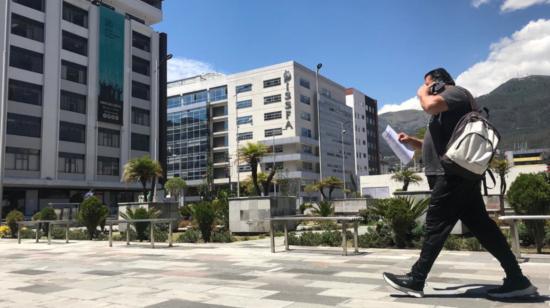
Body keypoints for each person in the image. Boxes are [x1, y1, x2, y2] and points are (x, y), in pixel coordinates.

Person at [382, 68, 537, 299]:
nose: (426, 88)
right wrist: (412, 141)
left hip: (451, 176)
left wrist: (421, 91)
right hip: (455, 175)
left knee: (436, 225)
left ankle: (416, 279)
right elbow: (442, 143)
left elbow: (428, 105)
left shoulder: (456, 93)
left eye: (428, 84)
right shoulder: (447, 108)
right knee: (483, 227)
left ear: (437, 83)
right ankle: (517, 279)